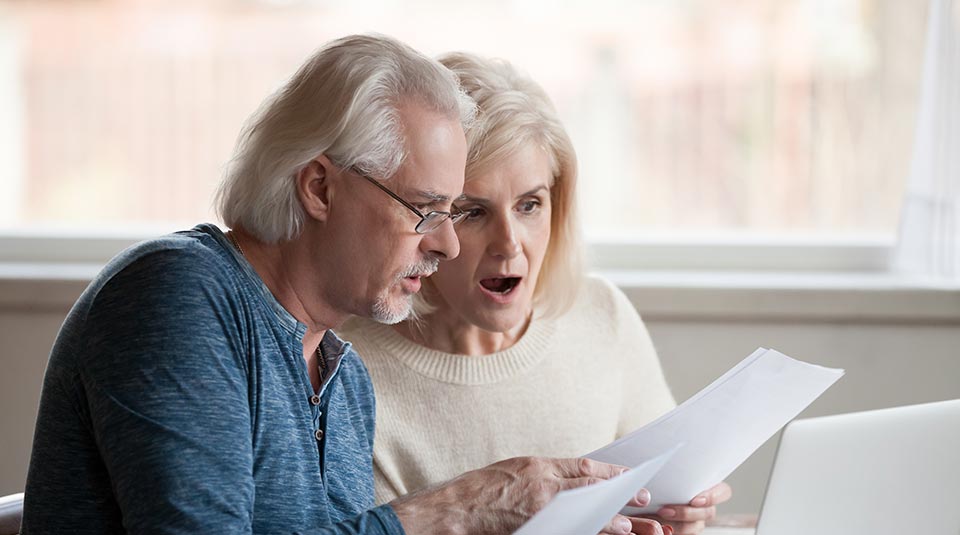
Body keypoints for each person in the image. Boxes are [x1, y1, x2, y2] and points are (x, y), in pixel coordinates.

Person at [20, 35, 661, 535]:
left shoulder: (341, 375)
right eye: (428, 210)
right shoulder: (179, 296)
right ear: (320, 186)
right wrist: (455, 511)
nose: (446, 243)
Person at [339, 52, 732, 535]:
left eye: (530, 205)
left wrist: (684, 512)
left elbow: (661, 501)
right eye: (472, 212)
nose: (510, 244)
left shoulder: (601, 315)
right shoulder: (349, 370)